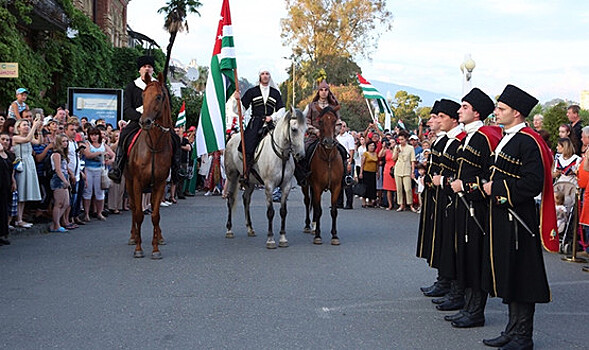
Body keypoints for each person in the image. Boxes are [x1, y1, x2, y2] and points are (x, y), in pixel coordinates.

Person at [482, 84, 556, 350]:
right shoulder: (507, 137)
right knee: (509, 273)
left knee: (523, 276)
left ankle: (523, 336)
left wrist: (497, 189)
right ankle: (512, 330)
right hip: (503, 215)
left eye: (501, 108)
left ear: (517, 112)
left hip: (519, 219)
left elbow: (533, 183)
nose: (497, 112)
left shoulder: (529, 140)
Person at [448, 88, 501, 327]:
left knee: (476, 257)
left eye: (465, 107)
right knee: (466, 256)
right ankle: (468, 305)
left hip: (477, 207)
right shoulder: (470, 136)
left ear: (477, 112)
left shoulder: (483, 137)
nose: (460, 111)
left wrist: (467, 187)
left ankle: (476, 311)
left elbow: (489, 176)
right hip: (464, 204)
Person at [109, 55, 183, 184]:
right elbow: (127, 108)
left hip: (157, 122)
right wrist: (140, 118)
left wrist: (157, 117)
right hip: (138, 121)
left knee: (175, 139)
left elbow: (168, 107)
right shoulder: (132, 86)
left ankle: (177, 170)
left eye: (149, 67)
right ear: (140, 70)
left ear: (153, 70)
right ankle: (118, 167)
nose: (147, 69)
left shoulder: (161, 86)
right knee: (124, 135)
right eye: (144, 67)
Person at [427, 99, 465, 299]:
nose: (437, 121)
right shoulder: (445, 139)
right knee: (442, 239)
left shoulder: (459, 139)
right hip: (440, 194)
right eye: (436, 116)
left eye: (441, 117)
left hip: (452, 196)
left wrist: (443, 181)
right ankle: (444, 280)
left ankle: (453, 286)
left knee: (452, 242)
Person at [295, 81, 348, 187]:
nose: (324, 92)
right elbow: (307, 121)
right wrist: (315, 131)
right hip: (314, 136)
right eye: (321, 90)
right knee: (303, 152)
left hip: (330, 137)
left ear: (329, 91)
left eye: (326, 90)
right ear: (318, 92)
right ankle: (304, 175)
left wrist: (333, 133)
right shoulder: (312, 106)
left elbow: (338, 122)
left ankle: (345, 177)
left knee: (343, 152)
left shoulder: (334, 107)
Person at [237, 68, 285, 183]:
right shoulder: (252, 92)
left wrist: (272, 117)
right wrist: (237, 100)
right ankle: (247, 171)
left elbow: (282, 109)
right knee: (248, 145)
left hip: (270, 123)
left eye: (267, 74)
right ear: (260, 76)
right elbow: (242, 109)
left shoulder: (275, 93)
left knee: (283, 144)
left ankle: (284, 173)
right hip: (255, 123)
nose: (265, 76)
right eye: (263, 74)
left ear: (270, 76)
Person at [12, 117, 43, 228]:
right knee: (21, 190)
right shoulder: (15, 137)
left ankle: (20, 218)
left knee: (25, 191)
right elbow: (27, 139)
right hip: (21, 164)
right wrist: (34, 126)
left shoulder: (28, 136)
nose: (27, 126)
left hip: (29, 164)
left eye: (27, 125)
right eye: (24, 125)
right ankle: (18, 219)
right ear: (18, 127)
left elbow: (39, 142)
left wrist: (39, 130)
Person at [81, 127, 115, 221]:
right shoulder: (87, 144)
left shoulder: (103, 144)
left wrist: (109, 161)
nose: (94, 137)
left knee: (100, 192)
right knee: (88, 192)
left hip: (99, 170)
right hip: (88, 169)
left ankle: (99, 212)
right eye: (92, 135)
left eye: (95, 135)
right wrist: (99, 153)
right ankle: (86, 213)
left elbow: (113, 155)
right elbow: (87, 154)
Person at [49, 134, 71, 232]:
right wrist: (64, 180)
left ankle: (55, 222)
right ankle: (56, 225)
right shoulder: (56, 154)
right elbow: (58, 170)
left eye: (66, 141)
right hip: (58, 179)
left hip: (64, 177)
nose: (65, 143)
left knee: (66, 203)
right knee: (59, 203)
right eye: (63, 141)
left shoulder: (63, 154)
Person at [392, 131, 417, 212]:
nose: (401, 141)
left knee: (408, 188)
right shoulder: (397, 147)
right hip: (398, 168)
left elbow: (413, 160)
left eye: (402, 139)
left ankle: (410, 204)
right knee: (399, 188)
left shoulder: (410, 148)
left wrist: (412, 171)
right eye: (399, 139)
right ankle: (401, 204)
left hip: (407, 169)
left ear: (406, 139)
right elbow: (394, 158)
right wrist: (397, 152)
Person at [0, 132, 16, 245]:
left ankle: (1, 234)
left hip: (6, 185)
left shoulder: (10, 155)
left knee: (3, 210)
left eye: (7, 140)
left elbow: (12, 170)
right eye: (2, 139)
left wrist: (13, 181)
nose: (5, 142)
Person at [336, 121, 355, 209]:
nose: (341, 128)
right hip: (337, 162)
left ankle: (349, 203)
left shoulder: (349, 137)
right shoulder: (336, 137)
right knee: (338, 183)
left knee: (347, 182)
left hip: (346, 161)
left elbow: (351, 151)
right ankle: (339, 202)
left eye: (343, 126)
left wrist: (349, 163)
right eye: (340, 126)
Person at [379, 138, 397, 210]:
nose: (391, 144)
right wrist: (383, 147)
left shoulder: (397, 150)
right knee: (388, 188)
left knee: (396, 187)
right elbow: (380, 155)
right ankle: (390, 204)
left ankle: (397, 203)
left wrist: (394, 150)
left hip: (395, 168)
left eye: (393, 142)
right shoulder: (387, 151)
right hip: (387, 169)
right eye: (390, 142)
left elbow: (395, 158)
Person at [359, 141, 378, 207]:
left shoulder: (375, 154)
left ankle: (370, 201)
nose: (372, 147)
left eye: (373, 146)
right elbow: (362, 163)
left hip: (373, 172)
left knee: (372, 187)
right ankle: (364, 201)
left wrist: (377, 172)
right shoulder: (365, 154)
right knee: (365, 186)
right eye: (370, 146)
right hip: (366, 171)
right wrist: (361, 172)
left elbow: (377, 163)